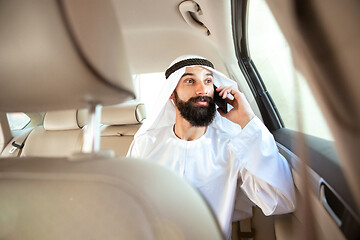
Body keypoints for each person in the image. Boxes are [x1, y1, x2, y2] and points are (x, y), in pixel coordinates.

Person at [127, 55, 295, 239]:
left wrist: (248, 121)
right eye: (190, 81)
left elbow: (280, 201)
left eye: (208, 81)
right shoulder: (146, 143)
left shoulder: (233, 146)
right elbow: (128, 205)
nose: (202, 89)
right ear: (171, 93)